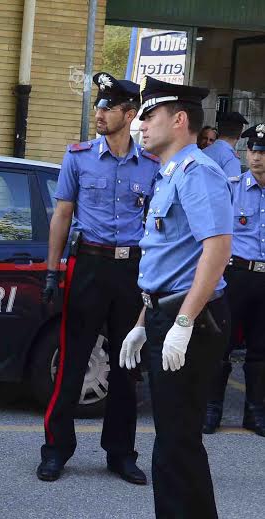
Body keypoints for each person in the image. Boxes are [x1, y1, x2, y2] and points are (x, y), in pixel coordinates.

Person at [38, 72, 159, 484]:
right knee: (73, 361)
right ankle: (55, 449)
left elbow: (158, 226)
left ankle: (122, 453)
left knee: (128, 365)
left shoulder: (153, 166)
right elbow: (62, 215)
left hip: (132, 270)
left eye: (108, 107)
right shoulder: (78, 156)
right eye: (98, 106)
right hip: (88, 266)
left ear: (130, 114)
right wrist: (52, 271)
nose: (99, 113)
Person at [119, 76, 233, 518]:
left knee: (177, 443)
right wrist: (142, 323)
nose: (140, 125)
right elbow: (170, 263)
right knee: (173, 439)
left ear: (179, 119)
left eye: (149, 116)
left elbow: (217, 250)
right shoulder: (170, 174)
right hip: (167, 316)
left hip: (192, 322)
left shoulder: (197, 172)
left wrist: (183, 323)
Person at [204, 123, 265, 437]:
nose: (257, 158)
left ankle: (255, 412)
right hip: (236, 274)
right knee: (221, 343)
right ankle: (211, 408)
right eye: (254, 150)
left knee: (260, 348)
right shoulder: (232, 187)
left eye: (263, 152)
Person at [203, 112, 248, 177]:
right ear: (239, 135)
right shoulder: (231, 159)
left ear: (218, 132)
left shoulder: (202, 152)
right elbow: (233, 186)